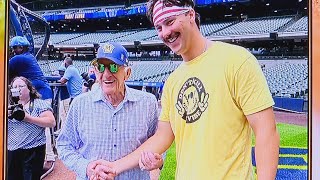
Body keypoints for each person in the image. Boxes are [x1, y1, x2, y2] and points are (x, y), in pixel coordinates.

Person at [91, 0, 280, 179]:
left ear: (190, 15)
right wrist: (115, 167)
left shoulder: (237, 60)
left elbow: (266, 131)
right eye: (159, 27)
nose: (165, 32)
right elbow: (163, 136)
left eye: (169, 22)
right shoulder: (173, 81)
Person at [56, 42, 161, 180]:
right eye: (100, 67)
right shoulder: (80, 104)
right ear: (95, 70)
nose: (106, 74)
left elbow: (157, 142)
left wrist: (157, 160)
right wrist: (85, 167)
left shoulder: (147, 103)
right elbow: (64, 144)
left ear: (127, 73)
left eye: (113, 67)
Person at [9, 35, 57, 179]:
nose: (13, 51)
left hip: (40, 94)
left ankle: (48, 158)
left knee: (43, 124)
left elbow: (5, 70)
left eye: (14, 48)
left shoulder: (19, 58)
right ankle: (49, 156)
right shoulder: (28, 56)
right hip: (40, 91)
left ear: (20, 48)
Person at [8, 76, 55, 180]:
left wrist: (27, 118)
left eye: (21, 86)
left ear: (29, 89)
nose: (18, 89)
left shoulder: (39, 104)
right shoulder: (7, 106)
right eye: (15, 86)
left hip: (33, 151)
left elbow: (51, 122)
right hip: (12, 152)